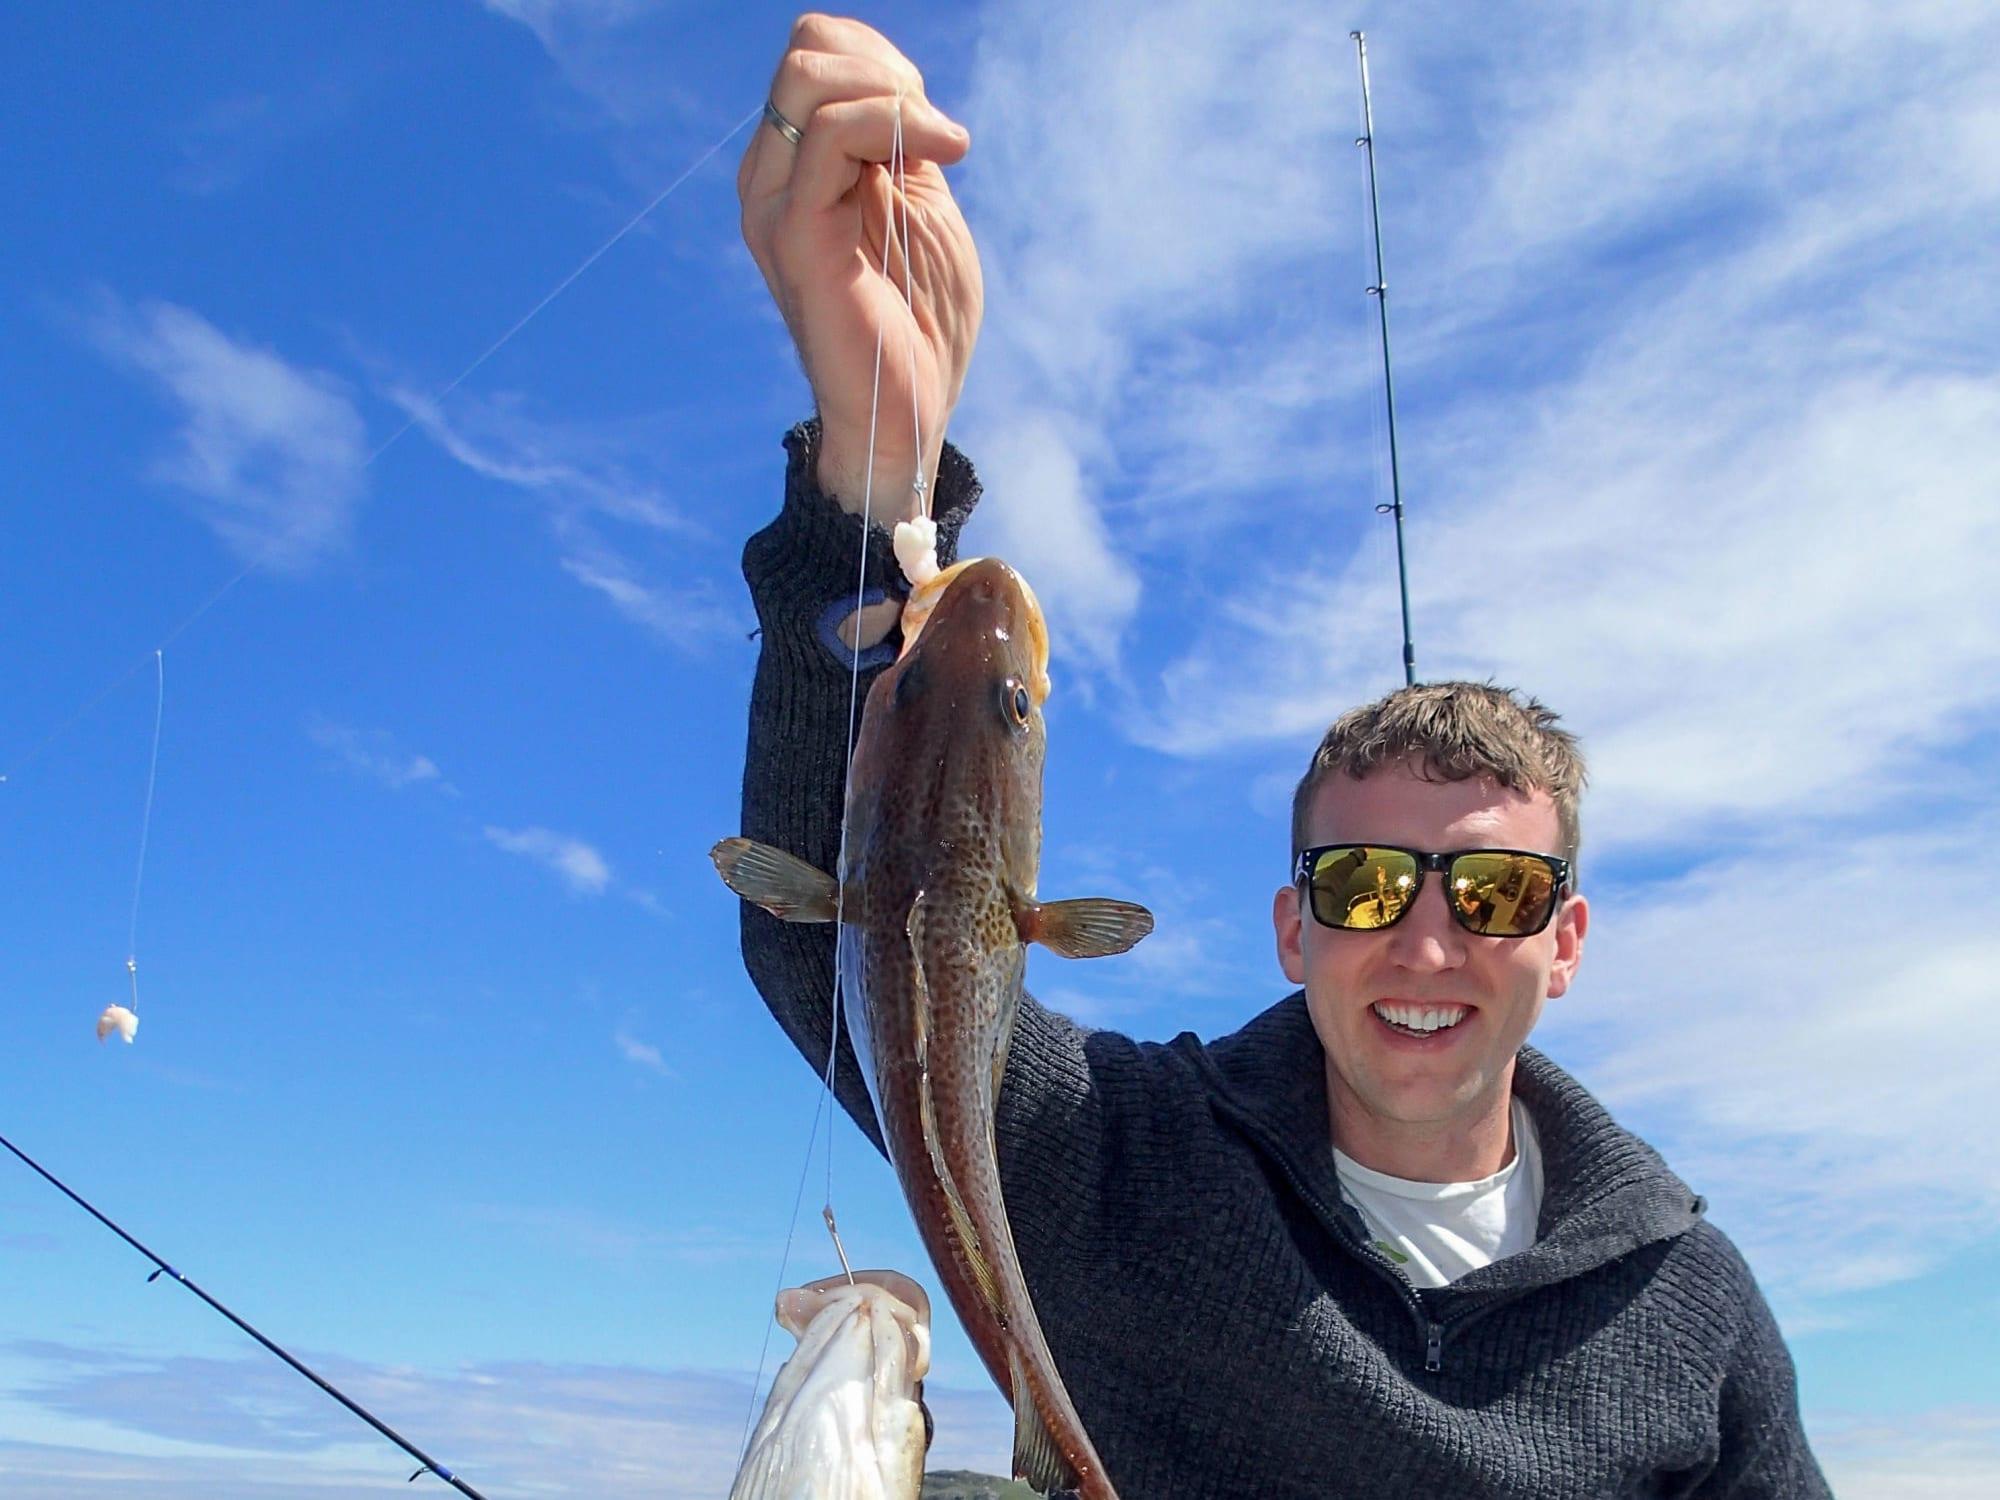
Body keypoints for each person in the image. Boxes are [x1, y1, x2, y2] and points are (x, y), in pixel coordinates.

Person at [731, 15, 1831, 1497]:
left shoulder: (1693, 1312)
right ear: (1292, 928)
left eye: (1494, 892)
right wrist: (878, 487)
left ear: (1564, 940)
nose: (1427, 940)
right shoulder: (1123, 1163)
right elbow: (849, 955)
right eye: (1365, 883)